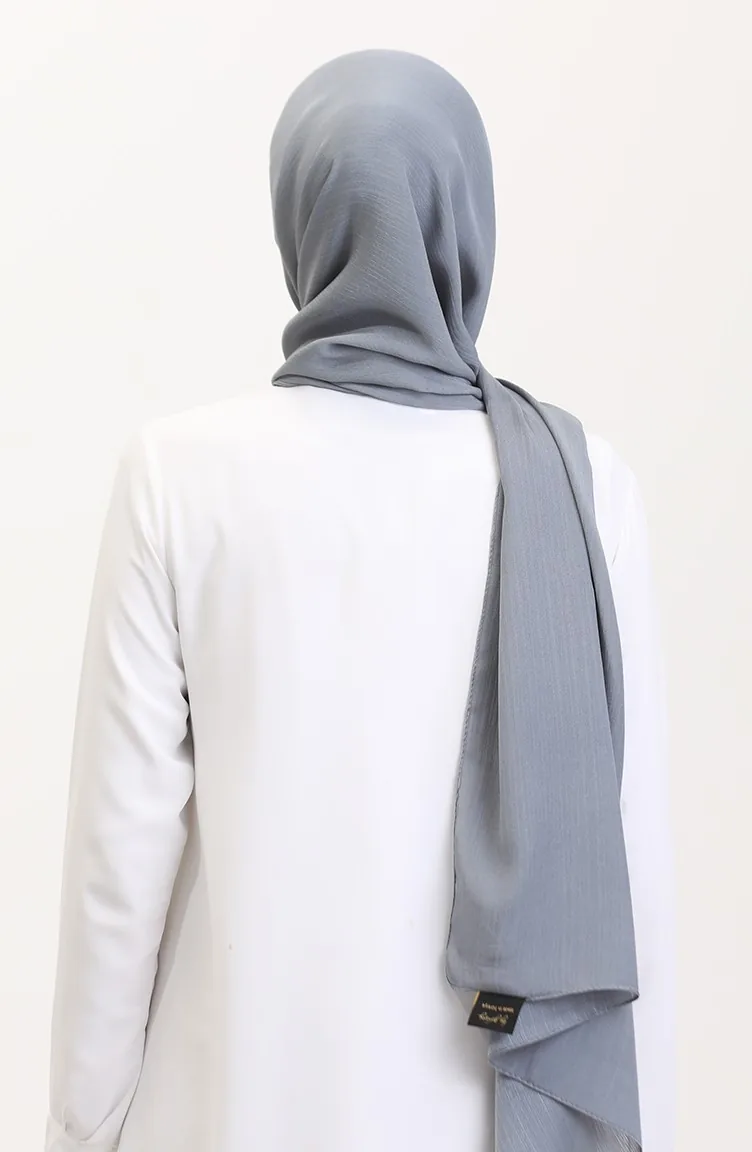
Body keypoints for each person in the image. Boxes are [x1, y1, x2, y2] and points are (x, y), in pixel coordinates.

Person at [46, 49, 676, 1152]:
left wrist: (77, 1130)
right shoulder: (583, 487)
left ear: (297, 218)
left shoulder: (175, 475)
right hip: (489, 1113)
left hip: (226, 1110)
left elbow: (117, 869)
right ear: (467, 219)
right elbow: (629, 882)